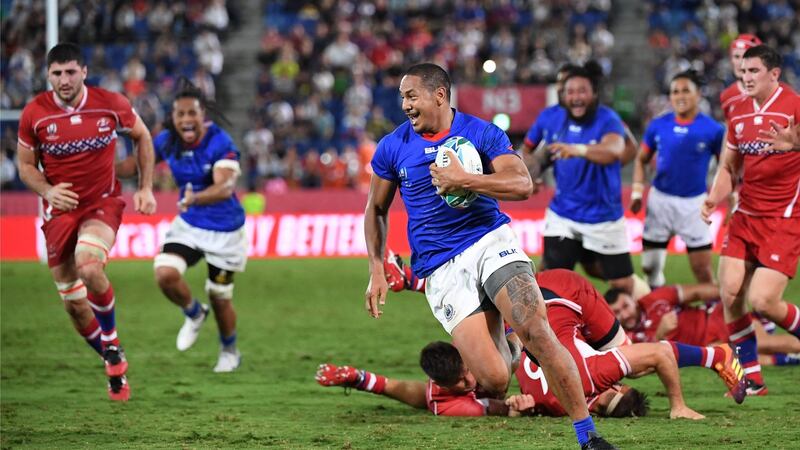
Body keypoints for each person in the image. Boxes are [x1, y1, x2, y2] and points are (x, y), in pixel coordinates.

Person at [363, 63, 613, 449]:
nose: (405, 105)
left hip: (490, 241)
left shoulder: (480, 133)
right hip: (440, 267)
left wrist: (466, 180)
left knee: (538, 331)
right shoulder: (393, 146)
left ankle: (588, 436)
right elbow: (375, 210)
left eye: (411, 96)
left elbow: (521, 183)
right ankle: (510, 343)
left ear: (439, 95)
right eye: (402, 98)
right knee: (495, 381)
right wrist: (376, 269)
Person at [16, 43, 157, 401]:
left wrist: (145, 187)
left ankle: (111, 343)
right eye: (57, 73)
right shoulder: (35, 114)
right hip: (59, 211)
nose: (64, 80)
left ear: (84, 72)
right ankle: (114, 363)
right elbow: (26, 167)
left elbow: (142, 136)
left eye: (70, 72)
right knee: (74, 304)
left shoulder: (111, 103)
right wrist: (48, 192)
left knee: (90, 266)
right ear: (48, 75)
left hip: (101, 202)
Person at [701, 45, 800, 396]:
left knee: (763, 301)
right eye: (743, 72)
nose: (745, 78)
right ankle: (753, 379)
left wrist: (796, 145)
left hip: (784, 218)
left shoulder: (794, 105)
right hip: (745, 216)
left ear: (774, 74)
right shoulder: (738, 111)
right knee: (729, 294)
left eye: (754, 71)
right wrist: (716, 196)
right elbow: (730, 166)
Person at [151, 79, 246, 373]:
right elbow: (136, 163)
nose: (186, 119)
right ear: (174, 117)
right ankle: (193, 313)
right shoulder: (167, 140)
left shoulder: (221, 142)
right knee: (165, 274)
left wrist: (196, 197)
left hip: (225, 230)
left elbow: (225, 187)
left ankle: (230, 350)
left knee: (220, 298)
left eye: (191, 113)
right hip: (190, 225)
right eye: (180, 115)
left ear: (202, 114)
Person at [521, 61, 636, 295]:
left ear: (594, 93)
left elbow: (617, 149)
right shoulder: (550, 118)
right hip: (564, 215)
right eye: (568, 90)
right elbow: (528, 151)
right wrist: (529, 175)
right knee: (550, 280)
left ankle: (639, 306)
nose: (575, 97)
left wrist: (579, 150)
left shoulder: (608, 119)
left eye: (581, 91)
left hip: (603, 216)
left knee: (622, 285)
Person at [630, 70, 725, 287]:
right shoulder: (657, 125)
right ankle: (657, 308)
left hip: (694, 205)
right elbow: (641, 159)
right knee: (649, 268)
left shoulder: (713, 129)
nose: (679, 96)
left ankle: (716, 313)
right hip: (660, 201)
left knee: (702, 270)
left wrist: (727, 198)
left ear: (698, 94)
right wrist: (636, 192)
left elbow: (726, 167)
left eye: (685, 90)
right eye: (675, 91)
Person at [605, 286, 800, 366]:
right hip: (711, 346)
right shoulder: (627, 338)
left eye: (625, 306)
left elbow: (696, 292)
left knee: (761, 343)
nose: (625, 313)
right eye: (617, 312)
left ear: (632, 299)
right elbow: (649, 362)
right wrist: (659, 335)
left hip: (716, 318)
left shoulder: (654, 300)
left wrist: (733, 295)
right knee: (750, 360)